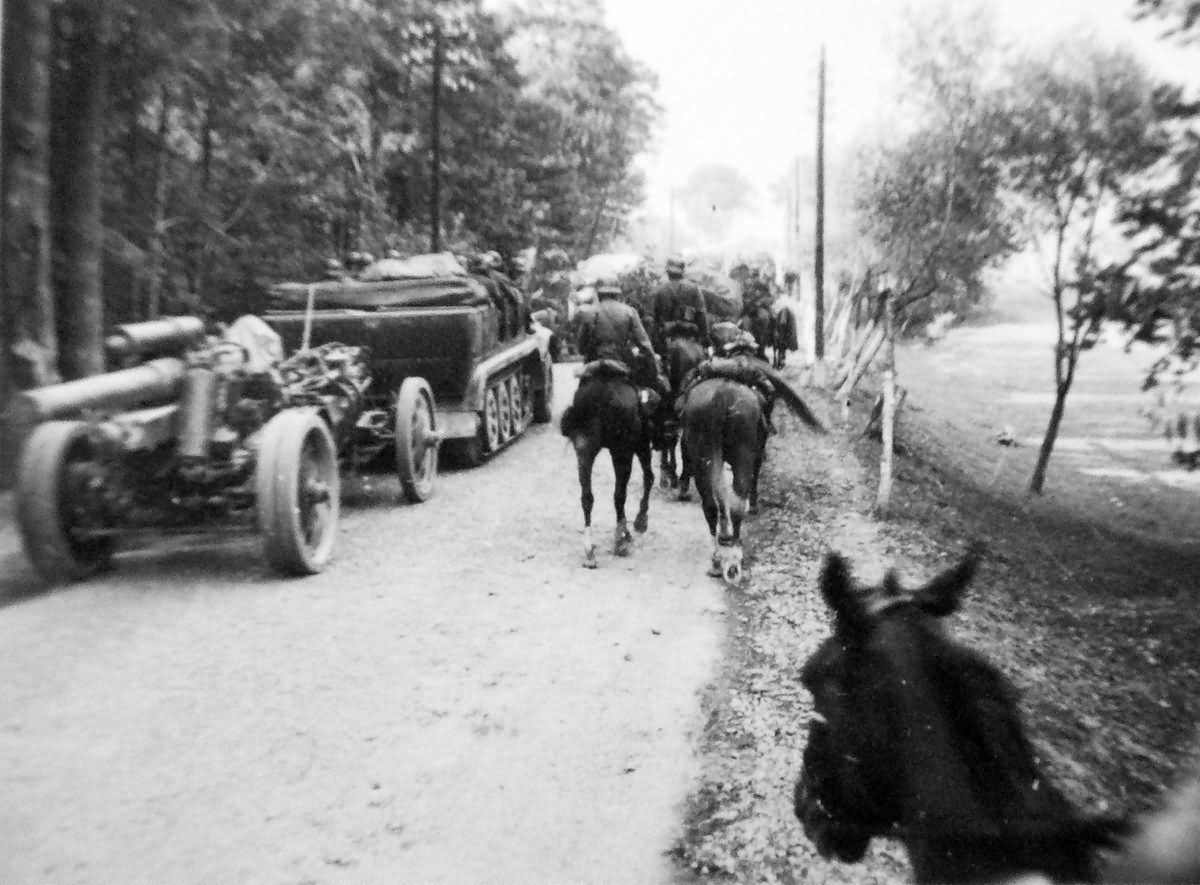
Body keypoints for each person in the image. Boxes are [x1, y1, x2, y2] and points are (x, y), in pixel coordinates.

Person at [575, 280, 669, 422]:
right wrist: (653, 371)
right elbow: (645, 345)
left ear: (599, 296)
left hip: (594, 364)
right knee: (647, 398)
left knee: (578, 403)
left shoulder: (588, 313)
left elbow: (581, 348)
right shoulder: (629, 312)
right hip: (622, 364)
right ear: (618, 296)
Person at [651, 255, 709, 360]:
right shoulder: (694, 289)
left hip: (667, 342)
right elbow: (701, 316)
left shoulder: (660, 291)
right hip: (690, 340)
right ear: (682, 271)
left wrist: (656, 345)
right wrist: (705, 341)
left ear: (668, 272)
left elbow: (655, 321)